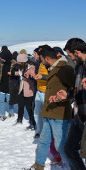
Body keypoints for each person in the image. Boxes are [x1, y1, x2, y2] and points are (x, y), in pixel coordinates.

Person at [30, 46, 74, 170]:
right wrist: (42, 77)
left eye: (42, 59)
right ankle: (39, 165)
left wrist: (65, 97)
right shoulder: (55, 68)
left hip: (60, 114)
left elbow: (74, 90)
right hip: (50, 111)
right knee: (44, 140)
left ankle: (74, 166)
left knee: (61, 146)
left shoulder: (64, 69)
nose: (41, 62)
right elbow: (55, 81)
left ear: (47, 58)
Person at [61, 38, 86, 170]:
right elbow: (78, 91)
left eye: (70, 56)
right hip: (78, 117)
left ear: (76, 52)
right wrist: (68, 95)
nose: (71, 59)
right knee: (69, 150)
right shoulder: (79, 67)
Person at [11, 54, 36, 129]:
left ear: (23, 61)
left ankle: (32, 122)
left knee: (29, 107)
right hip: (22, 88)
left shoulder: (32, 67)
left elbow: (33, 78)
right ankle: (19, 119)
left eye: (19, 61)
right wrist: (13, 73)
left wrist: (28, 77)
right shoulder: (22, 67)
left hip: (29, 89)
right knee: (20, 105)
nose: (18, 63)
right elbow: (20, 74)